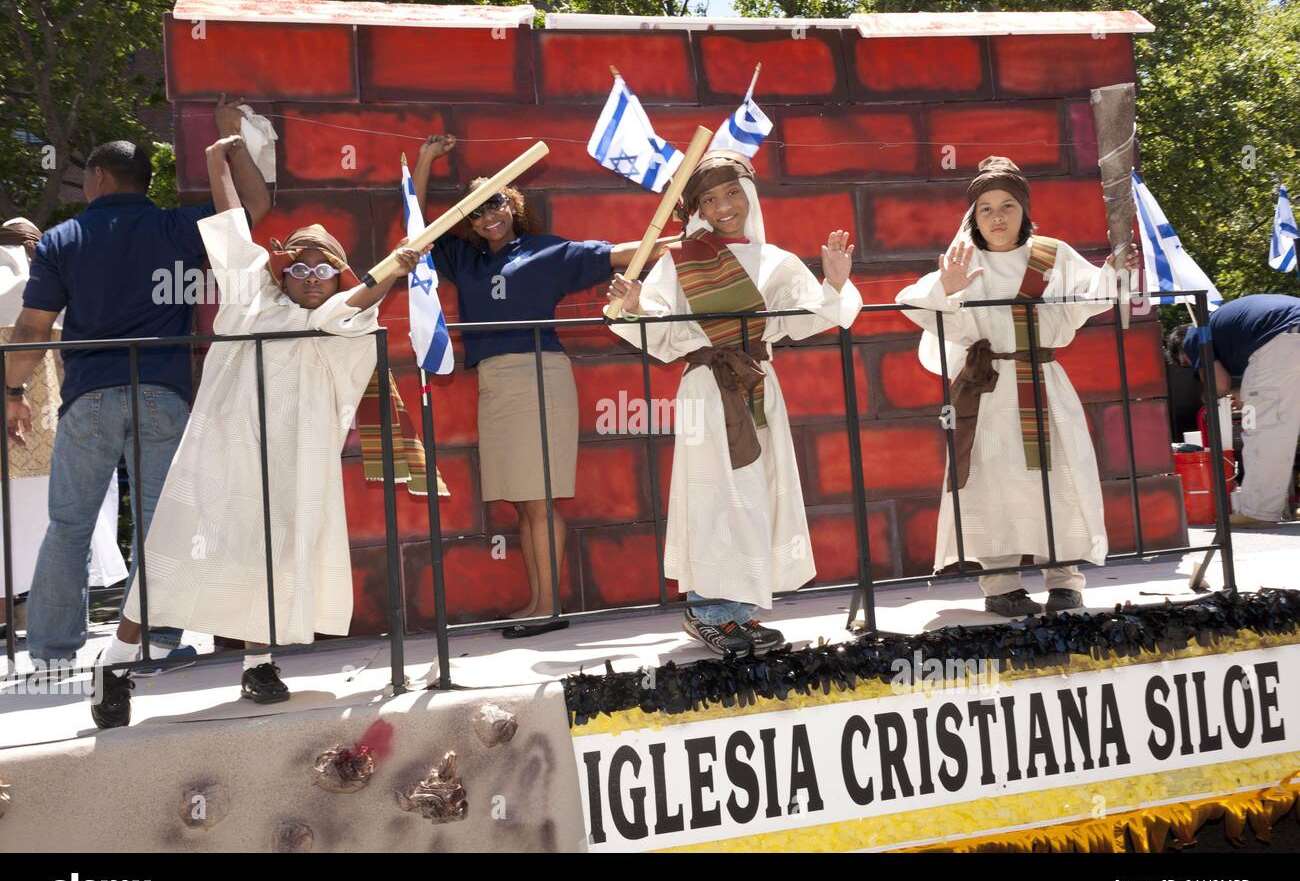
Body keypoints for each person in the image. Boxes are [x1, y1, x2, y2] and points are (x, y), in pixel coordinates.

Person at [91, 133, 427, 729]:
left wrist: (395, 268)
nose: (312, 277)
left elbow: (353, 302)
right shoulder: (250, 298)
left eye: (326, 268)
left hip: (293, 463)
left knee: (275, 564)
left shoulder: (341, 320)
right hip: (222, 457)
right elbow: (229, 231)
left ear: (340, 274)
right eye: (299, 266)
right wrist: (216, 160)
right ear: (283, 270)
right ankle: (114, 665)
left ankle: (259, 667)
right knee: (172, 555)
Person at [6, 97, 271, 671]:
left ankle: (52, 654)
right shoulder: (179, 225)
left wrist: (11, 391)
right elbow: (255, 207)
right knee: (161, 523)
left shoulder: (60, 239)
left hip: (89, 397)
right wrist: (231, 147)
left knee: (69, 525)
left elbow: (32, 327)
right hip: (163, 391)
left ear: (97, 177)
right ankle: (154, 640)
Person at [412, 135, 675, 635]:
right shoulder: (464, 260)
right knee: (521, 501)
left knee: (540, 498)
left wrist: (684, 238)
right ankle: (537, 602)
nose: (488, 217)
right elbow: (416, 229)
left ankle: (548, 607)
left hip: (539, 375)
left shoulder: (547, 250)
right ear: (467, 222)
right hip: (494, 383)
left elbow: (623, 254)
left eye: (495, 204)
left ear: (512, 204)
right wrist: (425, 160)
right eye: (477, 212)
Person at [605, 149, 862, 657]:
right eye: (710, 198)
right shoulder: (679, 260)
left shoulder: (777, 261)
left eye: (731, 193)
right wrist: (634, 308)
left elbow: (807, 317)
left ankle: (737, 613)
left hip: (759, 386)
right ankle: (708, 612)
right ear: (697, 206)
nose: (723, 205)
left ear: (749, 196)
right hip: (706, 387)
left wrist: (834, 283)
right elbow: (650, 326)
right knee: (713, 496)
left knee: (754, 492)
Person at [895, 156, 1140, 618]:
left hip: (1044, 382)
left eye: (1007, 205)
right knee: (994, 481)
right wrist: (947, 288)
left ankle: (1065, 579)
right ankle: (1001, 583)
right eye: (985, 208)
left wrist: (1114, 269)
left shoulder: (1053, 254)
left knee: (1059, 477)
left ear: (1024, 210)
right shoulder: (963, 259)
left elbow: (1094, 296)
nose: (997, 217)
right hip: (989, 393)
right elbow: (911, 303)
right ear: (973, 216)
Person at [0, 219, 125, 639]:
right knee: (68, 523)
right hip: (59, 429)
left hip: (9, 437)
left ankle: (9, 615)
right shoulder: (58, 288)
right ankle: (65, 618)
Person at [1167, 294, 1300, 527]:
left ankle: (1258, 512)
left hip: (1284, 339)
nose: (1196, 368)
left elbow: (1219, 385)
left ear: (1182, 350)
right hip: (1289, 333)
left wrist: (1206, 393)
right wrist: (1245, 392)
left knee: (1265, 432)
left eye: (1189, 364)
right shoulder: (1223, 327)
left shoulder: (1194, 335)